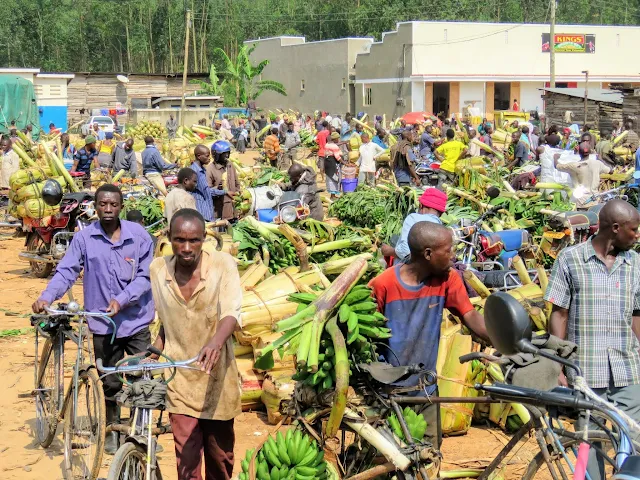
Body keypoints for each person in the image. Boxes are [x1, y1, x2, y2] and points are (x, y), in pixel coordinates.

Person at [32, 184, 155, 454]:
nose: (108, 209)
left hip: (136, 321)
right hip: (102, 323)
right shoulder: (84, 239)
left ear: (121, 206)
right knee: (109, 380)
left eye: (113, 204)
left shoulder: (140, 237)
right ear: (95, 207)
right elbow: (66, 271)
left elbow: (146, 278)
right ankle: (111, 430)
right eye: (102, 204)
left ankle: (139, 433)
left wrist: (121, 299)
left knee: (140, 380)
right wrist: (47, 296)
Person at [370, 222, 488, 449]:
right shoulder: (383, 284)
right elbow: (367, 338)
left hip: (426, 390)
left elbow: (470, 316)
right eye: (448, 251)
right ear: (428, 254)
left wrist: (505, 342)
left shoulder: (447, 279)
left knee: (429, 455)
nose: (453, 256)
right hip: (388, 393)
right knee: (387, 460)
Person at [544, 199, 640, 480]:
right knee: (588, 446)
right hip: (585, 373)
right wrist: (556, 364)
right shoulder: (570, 259)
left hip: (628, 370)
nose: (637, 235)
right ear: (615, 228)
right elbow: (559, 314)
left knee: (633, 442)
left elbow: (637, 315)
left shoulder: (636, 264)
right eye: (633, 230)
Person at [149, 208, 242, 480]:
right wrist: (154, 352)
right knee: (187, 462)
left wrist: (215, 343)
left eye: (194, 241)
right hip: (179, 378)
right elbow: (167, 321)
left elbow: (231, 313)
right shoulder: (158, 270)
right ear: (169, 238)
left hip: (217, 380)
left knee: (220, 459)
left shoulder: (223, 265)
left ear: (204, 239)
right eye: (179, 240)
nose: (187, 248)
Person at [380, 188, 447, 263]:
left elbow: (406, 251)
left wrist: (389, 251)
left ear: (421, 205)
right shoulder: (443, 230)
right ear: (441, 214)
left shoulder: (413, 218)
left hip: (407, 272)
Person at [554, 142, 610, 206]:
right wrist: (600, 159)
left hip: (580, 202)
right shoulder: (597, 163)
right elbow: (610, 171)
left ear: (579, 153)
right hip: (595, 201)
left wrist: (555, 157)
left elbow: (557, 166)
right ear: (590, 152)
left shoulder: (573, 166)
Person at [191, 144, 226, 222]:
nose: (209, 158)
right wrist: (225, 192)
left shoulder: (202, 169)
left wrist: (216, 187)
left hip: (206, 211)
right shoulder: (197, 172)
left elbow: (203, 189)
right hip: (202, 213)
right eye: (207, 156)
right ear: (199, 156)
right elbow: (207, 191)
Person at [206, 140, 239, 221]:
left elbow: (236, 182)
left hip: (233, 206)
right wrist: (218, 187)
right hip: (220, 209)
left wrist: (238, 192)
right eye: (224, 153)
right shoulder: (210, 169)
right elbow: (208, 190)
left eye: (228, 153)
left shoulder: (230, 165)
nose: (227, 155)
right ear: (216, 155)